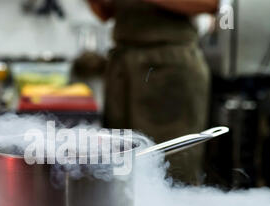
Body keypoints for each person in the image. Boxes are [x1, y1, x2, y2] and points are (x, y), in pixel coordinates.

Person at [87, 0, 219, 184]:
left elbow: (211, 4)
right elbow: (105, 14)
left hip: (170, 66)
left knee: (172, 171)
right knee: (118, 168)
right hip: (124, 64)